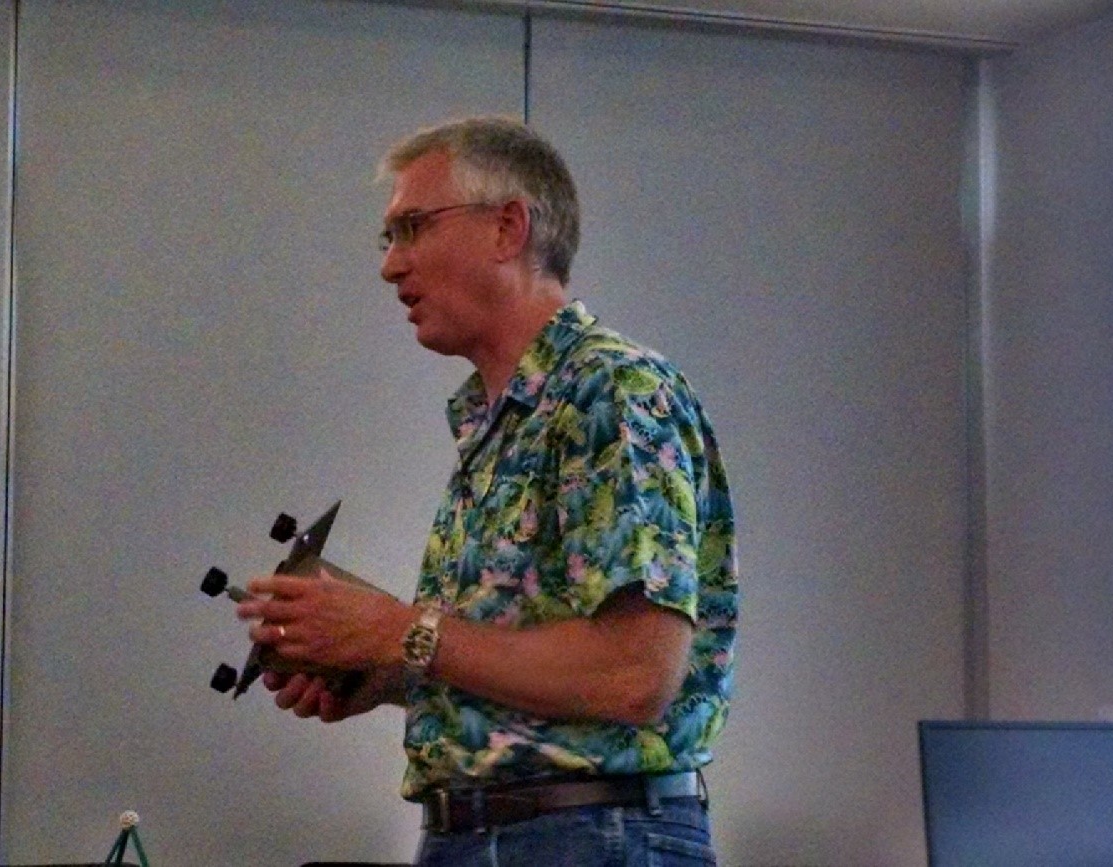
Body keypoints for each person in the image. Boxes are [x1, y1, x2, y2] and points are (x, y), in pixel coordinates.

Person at [235, 116, 738, 866]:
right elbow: (543, 677)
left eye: (412, 228)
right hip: (498, 836)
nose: (390, 266)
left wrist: (395, 631)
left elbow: (633, 677)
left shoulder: (613, 391)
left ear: (508, 228)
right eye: (389, 238)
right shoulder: (496, 420)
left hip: (589, 839)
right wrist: (379, 673)